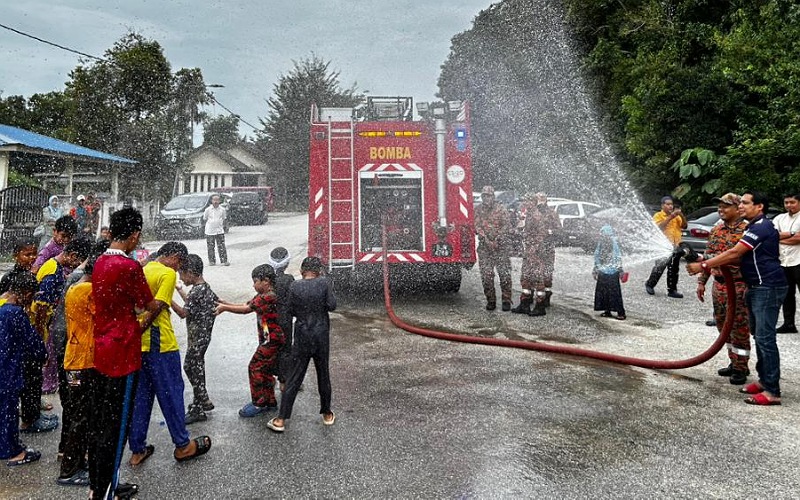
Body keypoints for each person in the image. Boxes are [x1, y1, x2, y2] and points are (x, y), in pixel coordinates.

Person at [687, 191, 787, 406]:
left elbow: (734, 254)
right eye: (740, 203)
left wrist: (702, 265)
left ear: (759, 207)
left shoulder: (759, 227)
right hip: (746, 286)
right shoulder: (745, 227)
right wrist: (703, 276)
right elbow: (715, 254)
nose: (741, 206)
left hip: (763, 286)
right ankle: (763, 380)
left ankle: (771, 390)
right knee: (753, 334)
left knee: (763, 338)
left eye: (745, 203)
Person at [87, 207, 159, 499]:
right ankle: (106, 491)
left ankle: (99, 484)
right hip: (124, 352)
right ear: (135, 235)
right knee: (117, 426)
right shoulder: (129, 266)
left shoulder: (100, 261)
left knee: (100, 420)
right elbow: (146, 304)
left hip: (102, 348)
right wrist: (156, 306)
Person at [128, 242, 212, 466]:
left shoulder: (141, 270)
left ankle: (137, 450)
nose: (178, 268)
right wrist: (139, 331)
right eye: (179, 263)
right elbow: (156, 308)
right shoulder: (166, 273)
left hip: (139, 349)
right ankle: (183, 445)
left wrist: (134, 335)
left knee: (141, 398)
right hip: (160, 345)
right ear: (174, 256)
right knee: (171, 394)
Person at [20, 238, 91, 435]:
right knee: (34, 377)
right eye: (78, 261)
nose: (77, 266)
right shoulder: (54, 273)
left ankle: (35, 413)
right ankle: (31, 418)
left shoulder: (55, 267)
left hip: (49, 332)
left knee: (36, 377)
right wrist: (40, 338)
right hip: (43, 332)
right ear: (73, 256)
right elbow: (41, 307)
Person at [57, 240, 109, 486]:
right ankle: (69, 470)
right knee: (81, 416)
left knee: (79, 413)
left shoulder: (76, 287)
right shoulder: (88, 291)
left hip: (74, 359)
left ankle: (75, 461)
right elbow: (108, 317)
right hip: (83, 363)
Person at [266, 257, 337, 433]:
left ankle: (281, 419)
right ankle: (327, 414)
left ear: (302, 270)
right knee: (323, 374)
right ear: (319, 271)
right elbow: (332, 305)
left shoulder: (295, 286)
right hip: (321, 335)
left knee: (295, 376)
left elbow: (290, 310)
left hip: (302, 335)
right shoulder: (324, 283)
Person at [694, 193, 751, 385]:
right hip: (718, 285)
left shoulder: (746, 230)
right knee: (722, 326)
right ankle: (733, 361)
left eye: (726, 206)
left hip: (737, 285)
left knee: (738, 327)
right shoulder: (717, 229)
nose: (721, 209)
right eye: (720, 206)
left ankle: (741, 367)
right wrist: (702, 281)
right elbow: (708, 256)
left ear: (737, 208)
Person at [216, 264, 285, 417]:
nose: (253, 285)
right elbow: (246, 305)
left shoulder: (268, 297)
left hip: (271, 340)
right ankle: (270, 401)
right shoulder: (261, 296)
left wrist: (225, 308)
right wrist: (225, 303)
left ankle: (259, 402)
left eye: (255, 281)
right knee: (265, 369)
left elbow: (246, 310)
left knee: (254, 367)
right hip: (269, 339)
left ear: (266, 281)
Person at [0, 272, 46, 467]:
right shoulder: (15, 313)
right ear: (26, 293)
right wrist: (43, 355)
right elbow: (32, 342)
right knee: (8, 411)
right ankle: (12, 452)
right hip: (7, 370)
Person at [172, 254, 219, 425]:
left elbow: (184, 312)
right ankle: (199, 404)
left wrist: (166, 299)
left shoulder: (197, 291)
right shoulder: (204, 288)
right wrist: (179, 289)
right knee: (195, 367)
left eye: (182, 274)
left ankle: (202, 399)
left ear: (191, 273)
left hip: (198, 337)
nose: (181, 277)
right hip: (202, 336)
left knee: (192, 366)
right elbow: (191, 303)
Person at [511, 192, 561, 316]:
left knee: (539, 279)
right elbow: (524, 231)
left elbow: (541, 234)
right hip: (529, 251)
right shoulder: (528, 214)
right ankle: (525, 303)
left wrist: (535, 249)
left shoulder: (537, 216)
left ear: (533, 202)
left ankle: (540, 305)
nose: (524, 203)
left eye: (527, 201)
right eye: (524, 201)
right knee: (526, 277)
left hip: (538, 252)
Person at [474, 185, 513, 311]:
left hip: (501, 248)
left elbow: (506, 226)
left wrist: (497, 239)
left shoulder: (501, 209)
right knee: (486, 276)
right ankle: (491, 300)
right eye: (484, 196)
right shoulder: (478, 210)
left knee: (504, 275)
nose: (486, 198)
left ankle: (506, 300)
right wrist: (486, 239)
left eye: (489, 196)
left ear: (493, 196)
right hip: (485, 248)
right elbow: (476, 226)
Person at [645, 196, 687, 298]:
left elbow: (685, 226)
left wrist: (681, 215)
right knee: (660, 267)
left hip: (675, 246)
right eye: (668, 204)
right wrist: (670, 217)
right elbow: (659, 227)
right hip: (663, 246)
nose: (670, 206)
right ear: (662, 205)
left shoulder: (677, 216)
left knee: (674, 269)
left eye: (671, 204)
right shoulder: (658, 215)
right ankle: (650, 284)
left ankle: (672, 290)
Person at [267, 247, 295, 392]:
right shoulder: (289, 279)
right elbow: (293, 299)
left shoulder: (267, 279)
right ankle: (283, 381)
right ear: (287, 263)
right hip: (284, 319)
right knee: (285, 349)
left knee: (269, 348)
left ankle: (269, 378)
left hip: (268, 320)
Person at [772, 193, 800, 333]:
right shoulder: (779, 218)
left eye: (792, 202)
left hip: (798, 260)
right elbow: (772, 235)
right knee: (787, 294)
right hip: (783, 261)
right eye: (786, 202)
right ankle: (789, 324)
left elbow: (798, 239)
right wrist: (792, 234)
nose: (789, 205)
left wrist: (780, 238)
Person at [593, 225, 626, 320]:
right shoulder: (601, 243)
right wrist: (595, 269)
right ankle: (607, 311)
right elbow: (597, 256)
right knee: (604, 293)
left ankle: (621, 312)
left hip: (612, 273)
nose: (602, 235)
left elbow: (617, 257)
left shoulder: (613, 244)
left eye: (603, 233)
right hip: (603, 272)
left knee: (614, 293)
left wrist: (620, 270)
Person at [203, 194, 229, 266]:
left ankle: (224, 260)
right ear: (211, 201)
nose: (215, 202)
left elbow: (224, 218)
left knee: (221, 246)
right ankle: (212, 261)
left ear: (219, 201)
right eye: (214, 200)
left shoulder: (222, 210)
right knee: (210, 247)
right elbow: (205, 218)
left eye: (217, 200)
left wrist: (223, 226)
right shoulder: (208, 210)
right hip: (210, 231)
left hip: (219, 230)